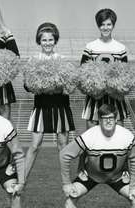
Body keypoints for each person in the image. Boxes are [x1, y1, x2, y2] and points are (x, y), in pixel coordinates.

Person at [59, 104, 135, 208]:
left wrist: (133, 187)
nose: (108, 121)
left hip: (117, 176)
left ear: (116, 119)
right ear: (99, 120)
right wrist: (66, 183)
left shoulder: (127, 136)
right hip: (91, 175)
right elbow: (64, 155)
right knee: (70, 199)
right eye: (105, 118)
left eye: (111, 117)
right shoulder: (89, 135)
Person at [24, 22, 76, 178]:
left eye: (50, 40)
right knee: (34, 146)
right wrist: (34, 85)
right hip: (41, 106)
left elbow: (70, 85)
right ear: (39, 41)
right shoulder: (33, 60)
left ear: (55, 41)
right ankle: (22, 180)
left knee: (63, 146)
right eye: (44, 40)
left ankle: (67, 183)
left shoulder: (63, 60)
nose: (47, 43)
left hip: (60, 106)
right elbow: (27, 86)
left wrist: (60, 85)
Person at [80, 8, 129, 129]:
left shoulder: (120, 48)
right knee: (91, 134)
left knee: (118, 133)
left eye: (109, 24)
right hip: (94, 98)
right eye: (102, 24)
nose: (105, 28)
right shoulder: (90, 47)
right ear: (98, 25)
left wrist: (116, 86)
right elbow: (82, 71)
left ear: (113, 25)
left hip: (115, 98)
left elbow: (126, 74)